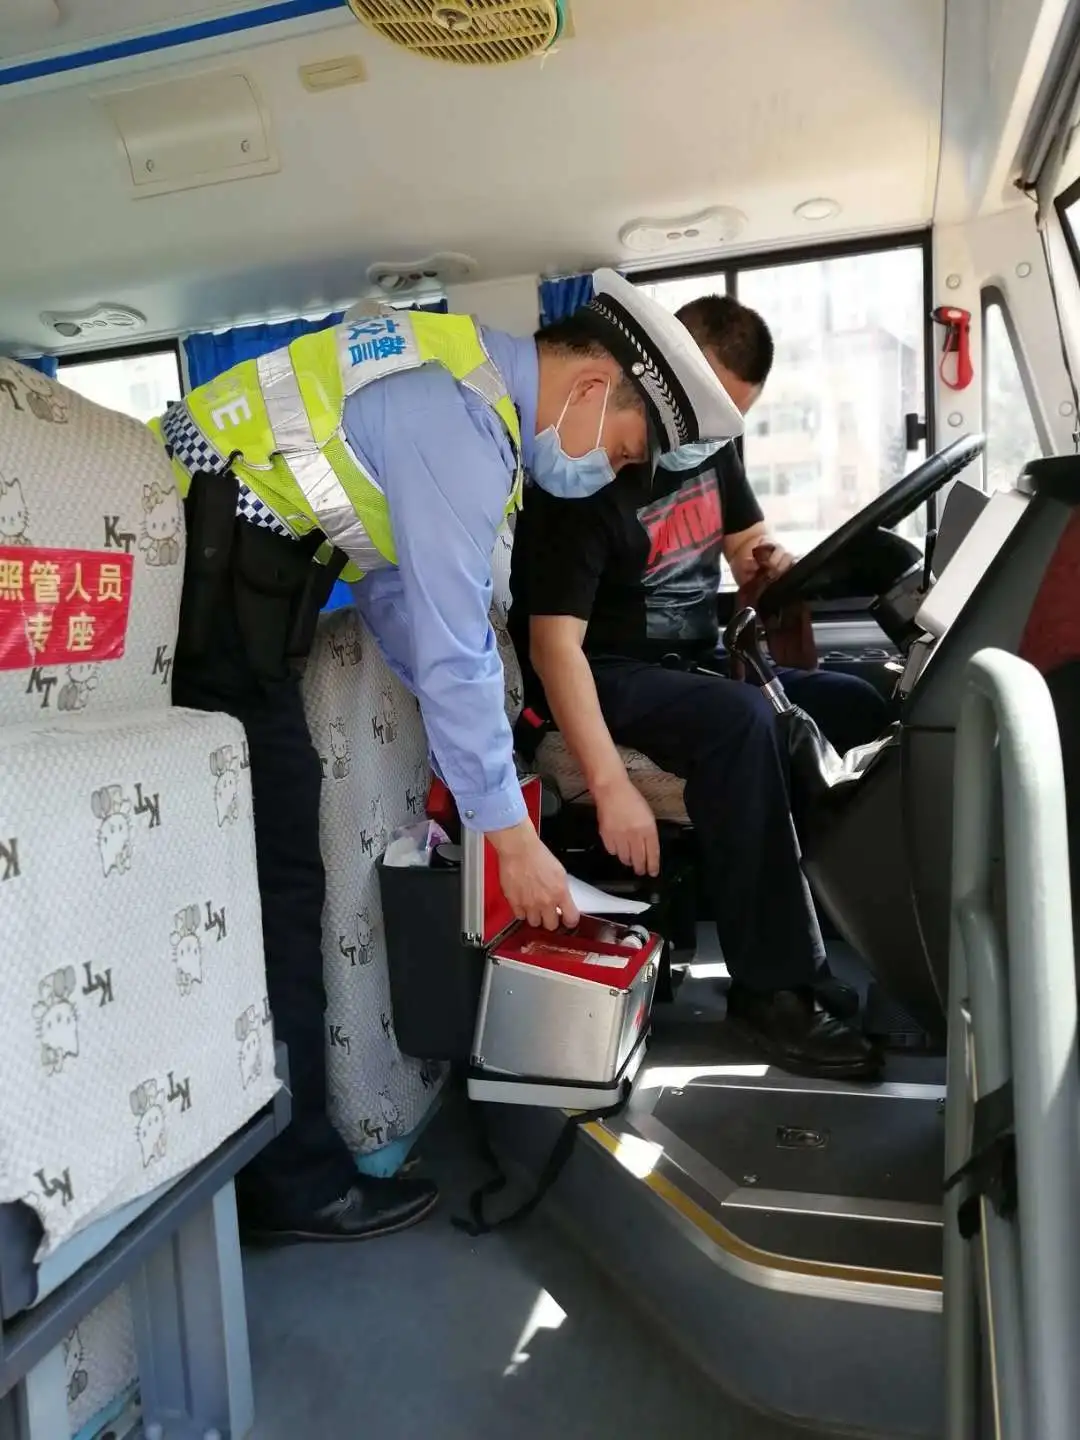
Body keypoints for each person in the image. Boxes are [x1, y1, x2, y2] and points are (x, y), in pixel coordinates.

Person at [152, 270, 745, 1244]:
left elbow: (397, 594)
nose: (612, 473)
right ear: (594, 389)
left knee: (283, 873)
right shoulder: (457, 422)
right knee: (284, 888)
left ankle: (278, 1169)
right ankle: (292, 1186)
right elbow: (452, 645)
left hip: (225, 603)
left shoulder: (461, 386)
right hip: (193, 604)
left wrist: (493, 745)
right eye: (626, 450)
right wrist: (511, 837)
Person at [508, 293, 887, 1081]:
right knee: (746, 721)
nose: (707, 432)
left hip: (694, 665)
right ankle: (770, 989)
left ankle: (848, 942)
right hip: (605, 671)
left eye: (727, 420)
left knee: (857, 703)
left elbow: (749, 540)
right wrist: (610, 784)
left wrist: (770, 562)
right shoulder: (587, 476)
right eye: (704, 410)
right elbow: (553, 648)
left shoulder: (710, 449)